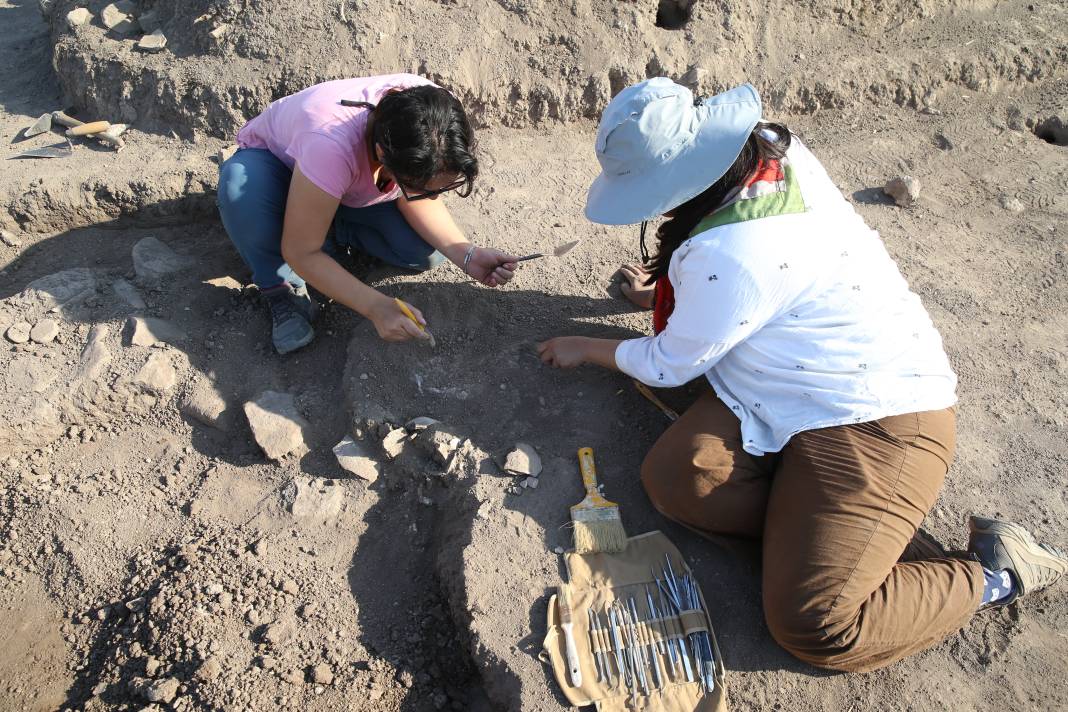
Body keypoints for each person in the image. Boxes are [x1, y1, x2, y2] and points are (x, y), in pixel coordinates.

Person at [538, 78, 1067, 672]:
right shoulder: (766, 150)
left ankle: (994, 572)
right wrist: (669, 291)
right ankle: (827, 534)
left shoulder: (729, 260)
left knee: (816, 622)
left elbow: (668, 363)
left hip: (877, 417)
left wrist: (589, 346)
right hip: (783, 384)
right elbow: (723, 277)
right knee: (678, 478)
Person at [217, 74, 518, 354]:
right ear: (383, 154)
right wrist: (376, 306)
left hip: (343, 180)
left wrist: (467, 254)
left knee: (423, 252)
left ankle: (326, 227)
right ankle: (282, 288)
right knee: (240, 186)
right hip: (279, 171)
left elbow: (415, 194)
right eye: (425, 188)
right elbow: (300, 251)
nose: (434, 196)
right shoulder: (329, 143)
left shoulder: (439, 116)